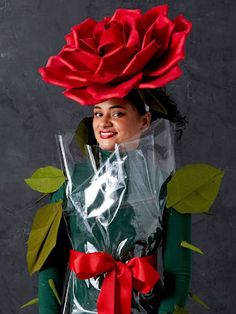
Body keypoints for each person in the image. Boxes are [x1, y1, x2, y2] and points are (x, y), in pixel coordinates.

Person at [33, 5, 193, 314]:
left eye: (117, 112)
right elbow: (49, 268)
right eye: (97, 113)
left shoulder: (167, 188)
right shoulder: (69, 183)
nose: (104, 122)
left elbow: (178, 274)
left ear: (144, 121)